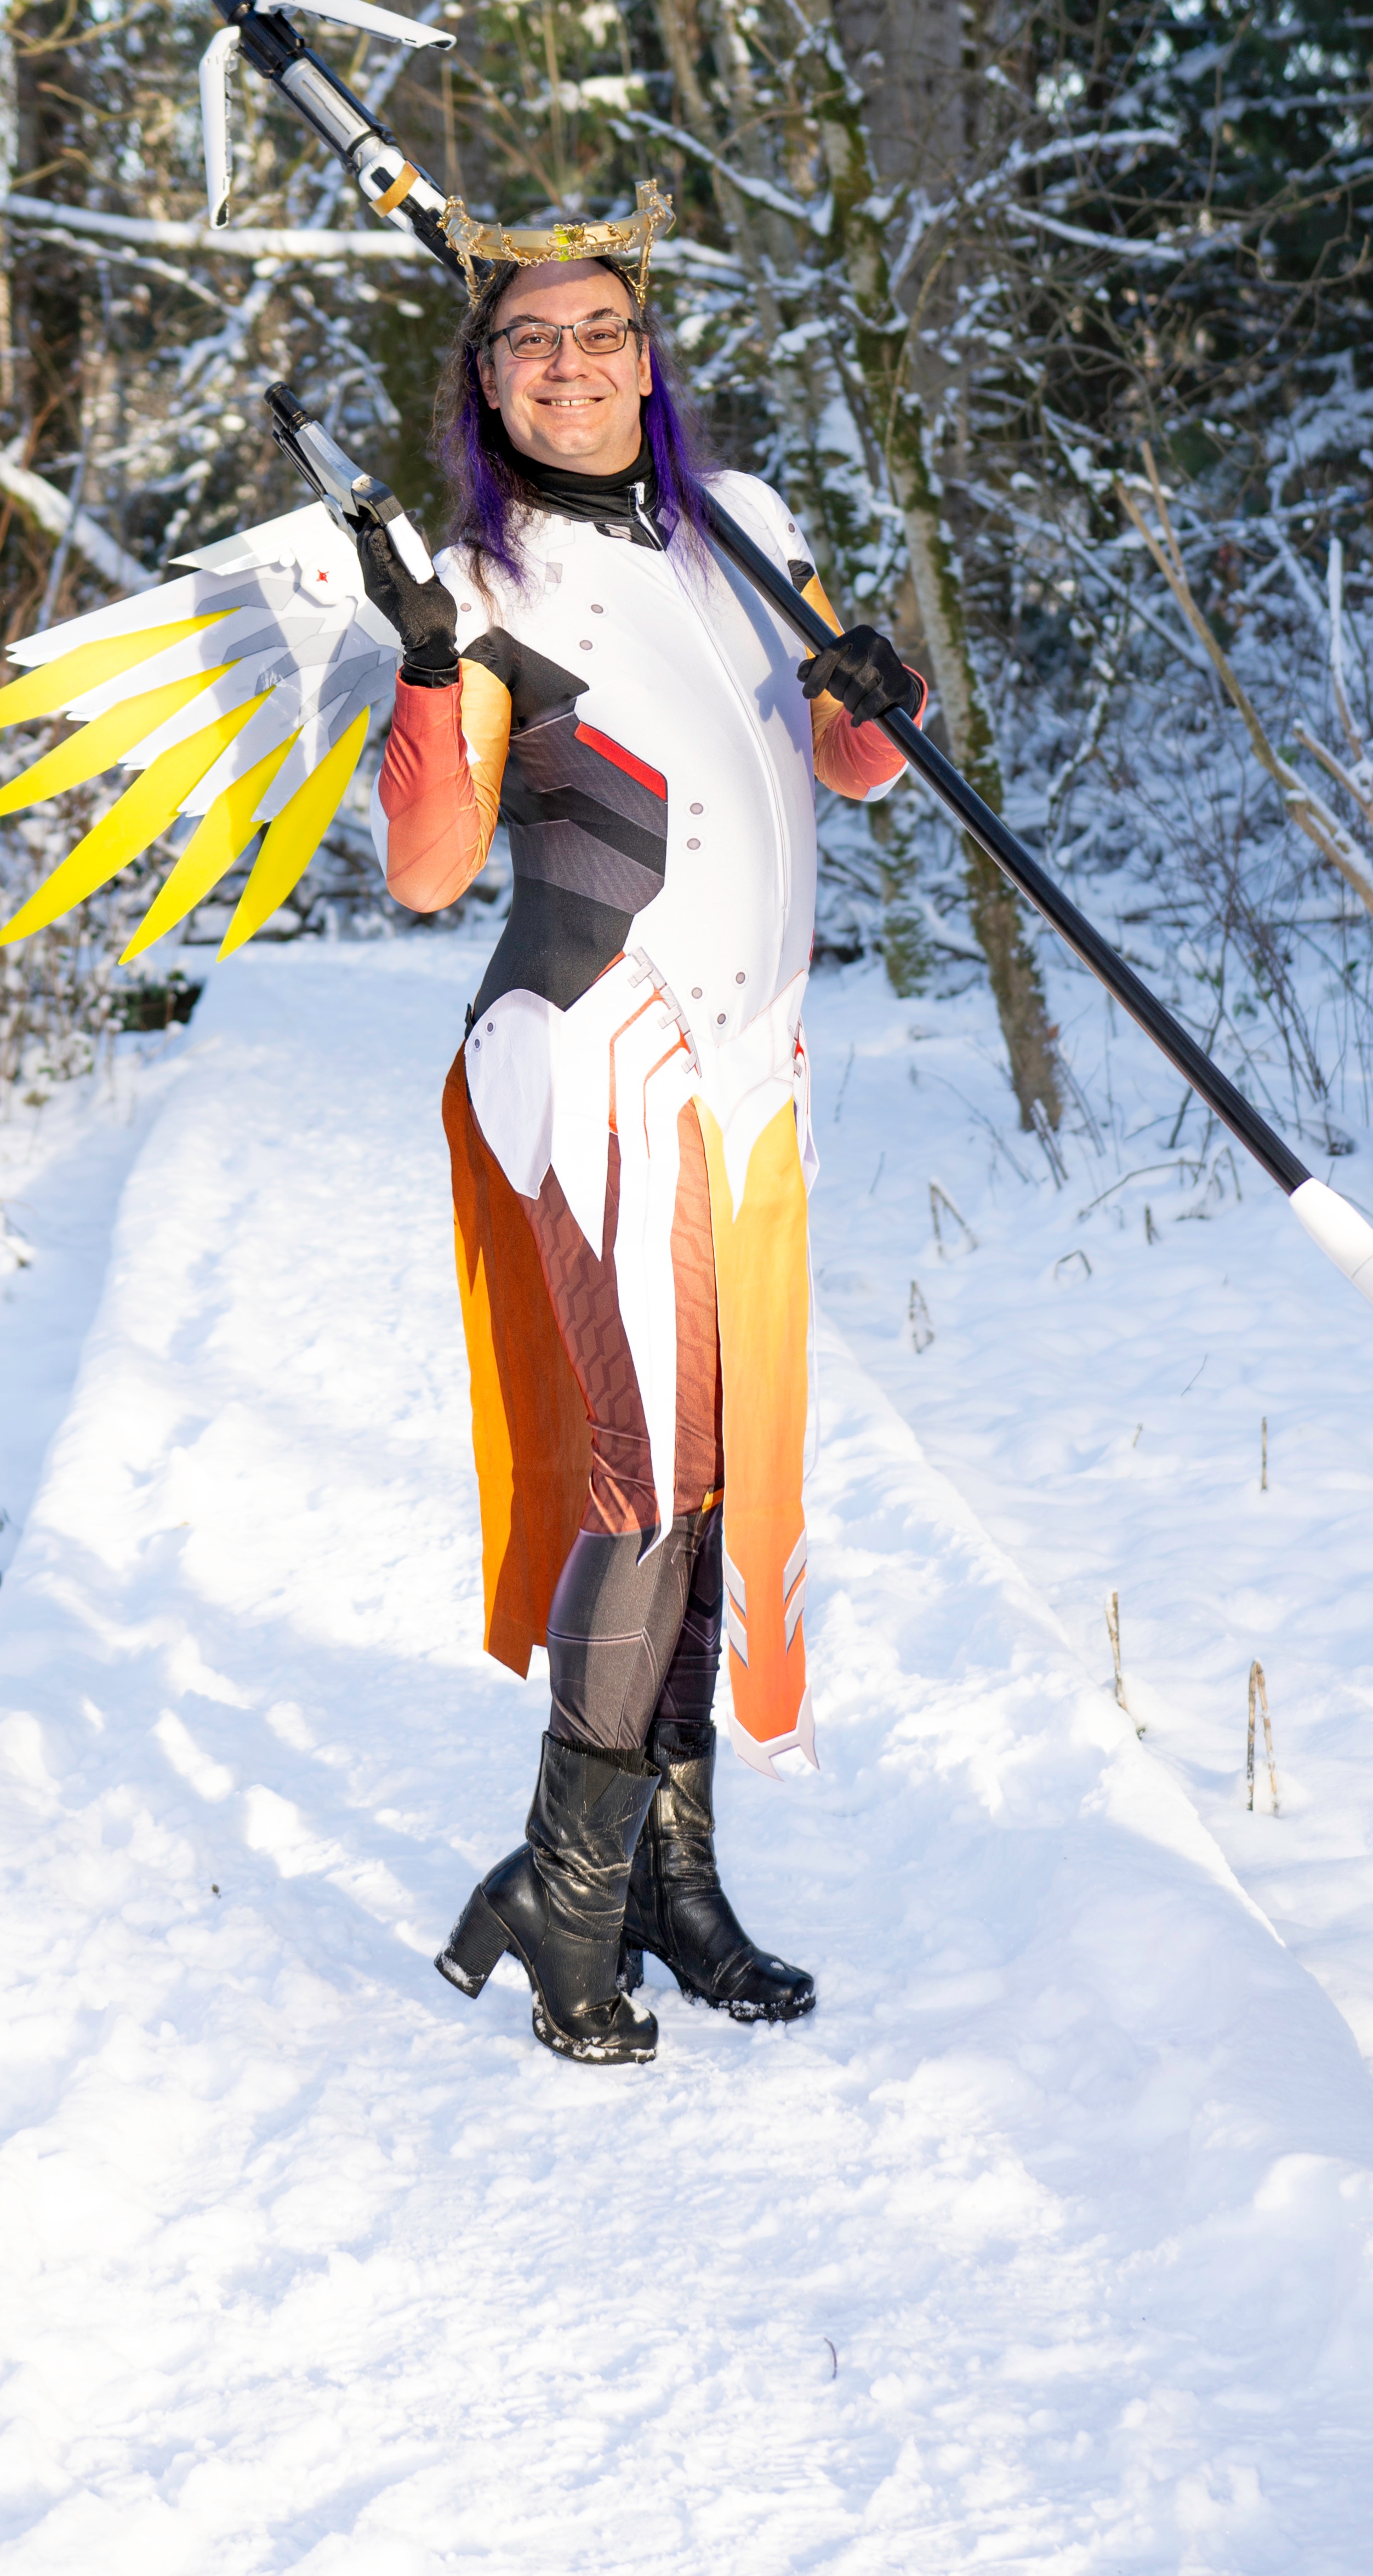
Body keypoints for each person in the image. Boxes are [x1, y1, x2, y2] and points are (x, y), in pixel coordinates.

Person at [350, 193, 922, 2067]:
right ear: (485, 381)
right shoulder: (475, 578)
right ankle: (567, 1896)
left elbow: (847, 761)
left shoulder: (743, 528)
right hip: (599, 1044)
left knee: (719, 1476)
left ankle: (674, 1885)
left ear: (649, 354)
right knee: (648, 1471)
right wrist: (427, 668)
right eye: (530, 341)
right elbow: (428, 871)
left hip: (756, 1061)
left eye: (600, 331)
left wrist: (883, 691)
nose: (571, 365)